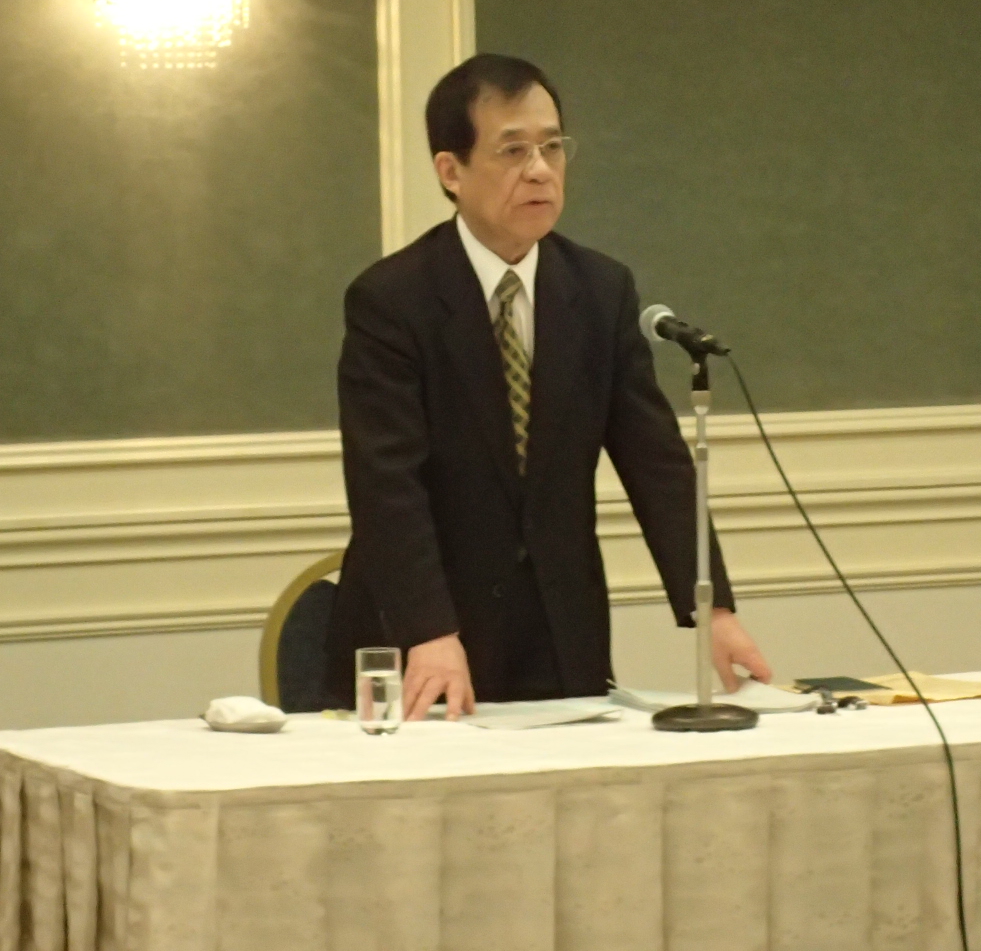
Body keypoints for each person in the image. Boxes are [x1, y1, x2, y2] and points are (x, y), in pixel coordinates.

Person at [325, 53, 772, 718]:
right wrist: (429, 631)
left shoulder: (600, 291)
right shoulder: (392, 300)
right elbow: (386, 484)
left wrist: (714, 610)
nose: (539, 170)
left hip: (561, 636)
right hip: (425, 640)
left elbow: (657, 465)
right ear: (451, 171)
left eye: (552, 147)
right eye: (513, 151)